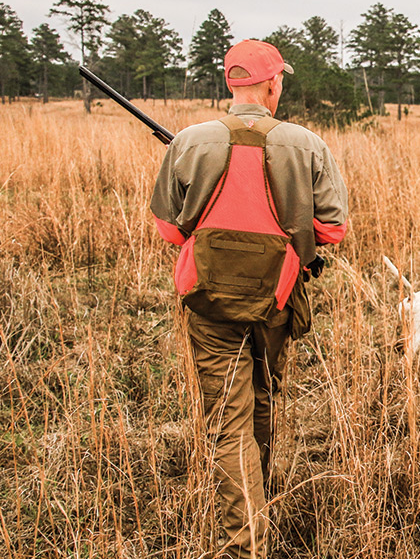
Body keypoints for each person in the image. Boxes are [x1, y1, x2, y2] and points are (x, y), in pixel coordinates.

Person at [149, 38, 347, 559]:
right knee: (262, 397)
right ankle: (250, 537)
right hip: (277, 299)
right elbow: (333, 230)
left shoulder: (189, 142)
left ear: (230, 83)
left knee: (229, 419)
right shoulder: (307, 144)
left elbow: (169, 230)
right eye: (281, 78)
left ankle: (245, 538)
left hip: (208, 304)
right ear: (272, 83)